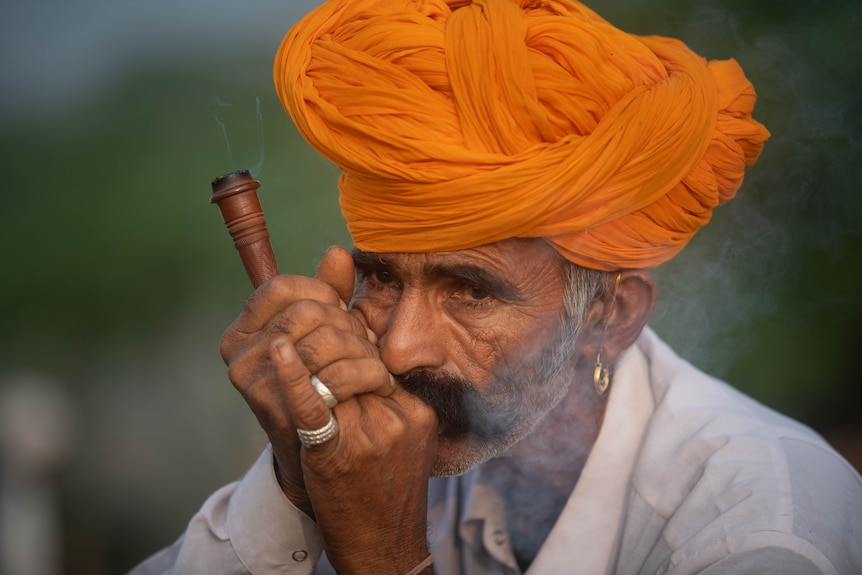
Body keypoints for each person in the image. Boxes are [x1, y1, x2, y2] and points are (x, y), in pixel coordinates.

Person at [131, 0, 862, 573]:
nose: (402, 347)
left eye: (469, 291)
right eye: (381, 278)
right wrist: (298, 487)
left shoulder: (760, 535)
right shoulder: (391, 448)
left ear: (610, 316)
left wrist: (384, 560)